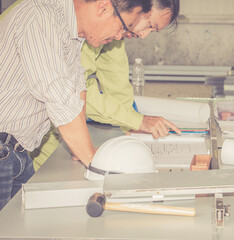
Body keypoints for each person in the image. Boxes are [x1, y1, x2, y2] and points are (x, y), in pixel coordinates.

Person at [0, 0, 151, 210]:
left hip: (16, 154)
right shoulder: (41, 17)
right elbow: (57, 93)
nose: (118, 37)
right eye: (124, 27)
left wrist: (82, 148)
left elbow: (77, 92)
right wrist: (94, 162)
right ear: (104, 7)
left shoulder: (73, 33)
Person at [31, 0, 181, 170]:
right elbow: (69, 93)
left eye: (152, 31)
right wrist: (137, 121)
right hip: (30, 131)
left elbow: (116, 81)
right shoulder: (81, 24)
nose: (144, 35)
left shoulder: (116, 31)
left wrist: (130, 127)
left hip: (50, 125)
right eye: (148, 24)